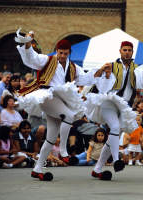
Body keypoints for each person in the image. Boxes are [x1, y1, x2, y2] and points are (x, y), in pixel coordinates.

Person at [16, 30, 105, 181]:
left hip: (59, 102)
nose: (62, 56)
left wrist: (101, 70)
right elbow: (32, 59)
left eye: (65, 53)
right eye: (60, 53)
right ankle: (64, 151)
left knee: (51, 137)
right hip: (46, 97)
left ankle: (37, 169)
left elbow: (84, 78)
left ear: (69, 53)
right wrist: (27, 44)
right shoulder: (47, 60)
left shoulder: (73, 67)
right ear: (56, 51)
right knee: (69, 115)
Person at [84, 41, 143, 180]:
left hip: (124, 106)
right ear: (120, 51)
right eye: (125, 50)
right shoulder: (111, 66)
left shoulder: (136, 68)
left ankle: (97, 169)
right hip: (109, 102)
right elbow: (101, 86)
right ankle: (117, 160)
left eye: (129, 50)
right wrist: (105, 74)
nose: (127, 52)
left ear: (132, 52)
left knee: (114, 135)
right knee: (115, 127)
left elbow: (142, 83)